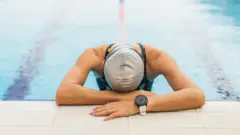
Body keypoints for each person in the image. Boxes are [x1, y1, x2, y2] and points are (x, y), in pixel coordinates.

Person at [55, 43, 205, 121]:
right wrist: (129, 97)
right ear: (104, 66)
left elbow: (197, 95)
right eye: (117, 90)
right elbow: (63, 93)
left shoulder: (158, 59)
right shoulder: (93, 56)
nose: (126, 94)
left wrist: (142, 103)